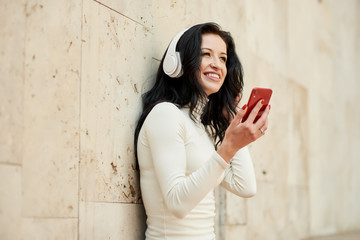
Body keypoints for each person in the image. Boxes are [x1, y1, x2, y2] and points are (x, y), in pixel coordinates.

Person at [134, 22, 270, 240]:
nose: (217, 64)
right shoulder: (165, 115)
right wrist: (228, 147)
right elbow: (177, 203)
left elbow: (245, 186)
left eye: (223, 58)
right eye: (206, 54)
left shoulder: (201, 126)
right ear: (177, 63)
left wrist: (231, 124)